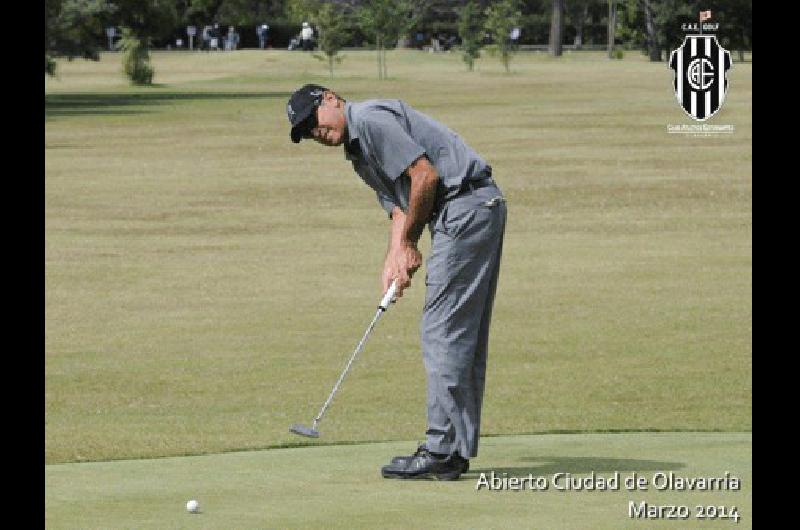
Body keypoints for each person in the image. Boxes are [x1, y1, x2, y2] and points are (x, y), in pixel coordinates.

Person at [285, 85, 507, 480]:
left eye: (312, 121)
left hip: (465, 207)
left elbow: (425, 175)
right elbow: (401, 205)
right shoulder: (356, 153)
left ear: (331, 99)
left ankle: (441, 450)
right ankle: (453, 451)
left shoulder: (368, 120)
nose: (314, 133)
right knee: (457, 336)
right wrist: (394, 257)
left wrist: (408, 244)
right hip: (469, 210)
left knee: (442, 332)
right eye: (306, 133)